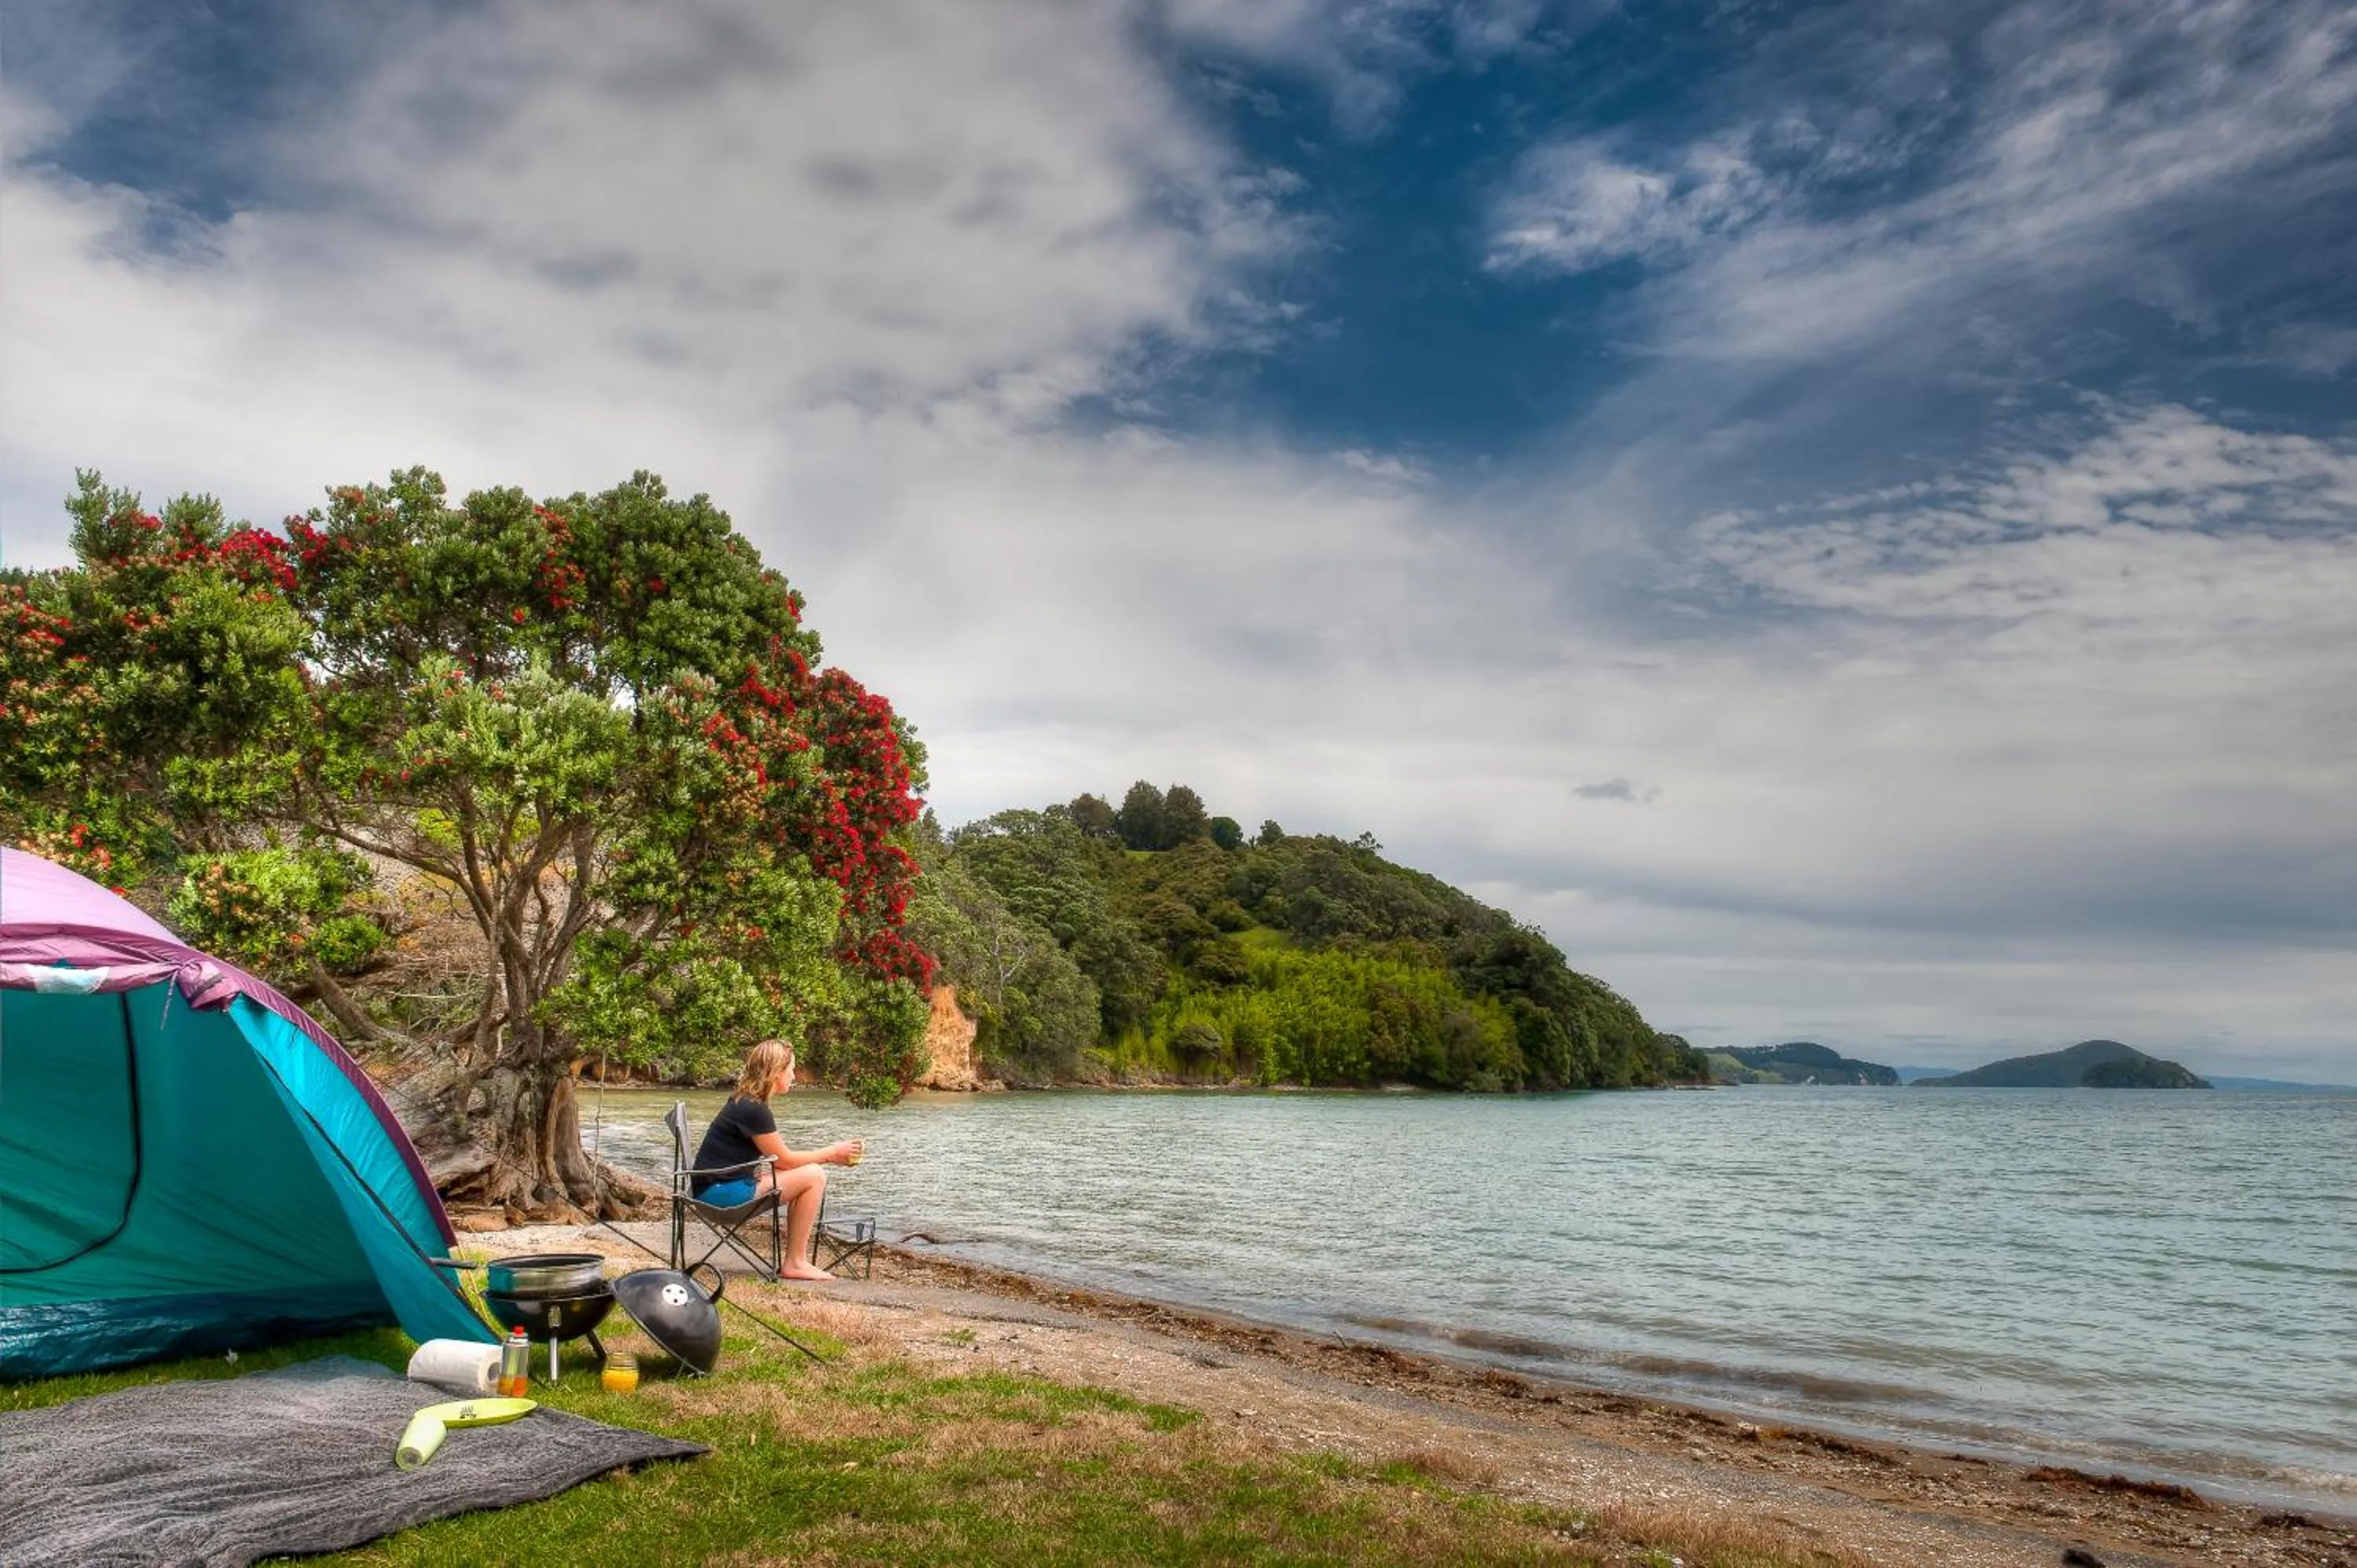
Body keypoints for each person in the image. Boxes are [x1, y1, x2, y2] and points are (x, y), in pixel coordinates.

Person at [692, 1039, 862, 1281]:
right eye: (791, 1069)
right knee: (815, 1176)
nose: (794, 1075)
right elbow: (785, 1161)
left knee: (809, 1174)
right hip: (719, 1197)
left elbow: (779, 1161)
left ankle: (796, 1260)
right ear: (776, 1072)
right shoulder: (753, 1109)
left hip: (713, 1190)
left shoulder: (745, 1102)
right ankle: (795, 1262)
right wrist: (832, 1153)